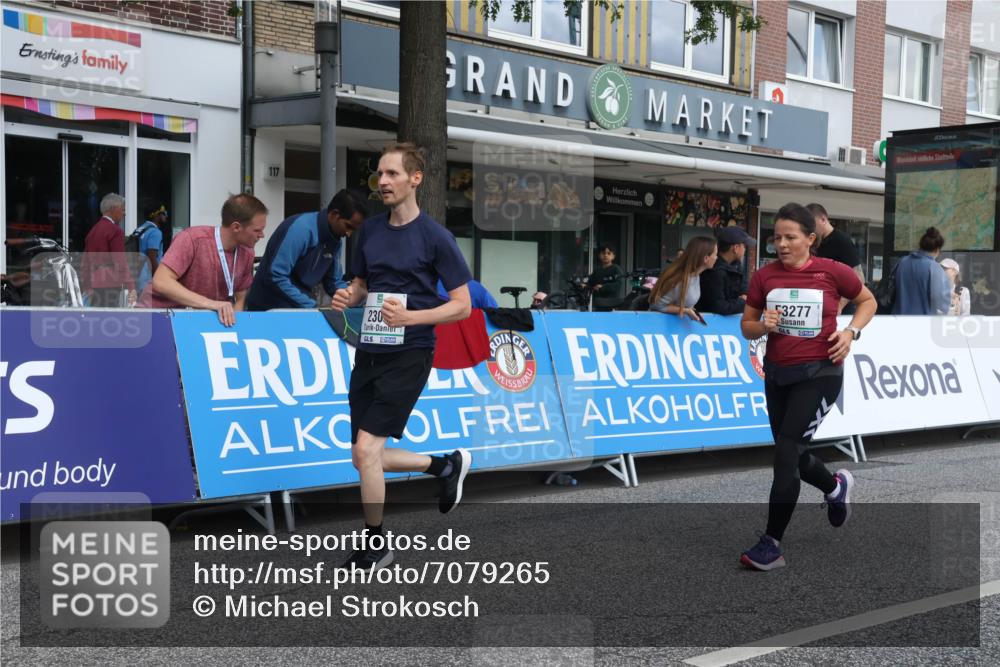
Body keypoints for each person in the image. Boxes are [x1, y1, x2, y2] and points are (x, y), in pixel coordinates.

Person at [329, 142, 473, 570]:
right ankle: (444, 467)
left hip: (411, 351)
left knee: (369, 448)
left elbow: (462, 305)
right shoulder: (370, 231)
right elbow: (361, 283)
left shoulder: (436, 237)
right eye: (379, 174)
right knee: (362, 454)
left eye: (392, 174)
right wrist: (348, 294)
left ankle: (376, 544)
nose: (383, 182)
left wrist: (414, 317)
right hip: (369, 349)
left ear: (415, 179)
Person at [739, 203, 876, 571]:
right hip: (778, 374)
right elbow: (746, 326)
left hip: (821, 374)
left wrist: (851, 332)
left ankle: (771, 544)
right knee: (795, 453)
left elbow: (867, 300)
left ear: (810, 239)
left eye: (790, 237)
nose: (782, 244)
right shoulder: (763, 277)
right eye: (777, 237)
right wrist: (763, 325)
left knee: (786, 452)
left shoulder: (832, 272)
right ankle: (835, 487)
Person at [138, 194, 267, 326]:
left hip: (194, 323)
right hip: (155, 319)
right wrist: (210, 304)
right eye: (257, 230)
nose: (262, 235)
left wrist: (233, 326)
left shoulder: (247, 252)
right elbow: (161, 281)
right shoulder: (192, 239)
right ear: (236, 227)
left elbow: (241, 298)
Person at [246, 189, 368, 311]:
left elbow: (334, 282)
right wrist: (312, 305)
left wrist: (349, 297)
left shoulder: (335, 241)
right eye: (348, 226)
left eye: (354, 230)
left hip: (299, 309)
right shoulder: (300, 229)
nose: (349, 234)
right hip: (266, 309)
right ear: (334, 214)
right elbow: (276, 275)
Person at [806, 203, 864, 314]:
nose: (810, 229)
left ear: (823, 220)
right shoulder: (814, 242)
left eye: (812, 225)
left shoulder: (841, 241)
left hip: (840, 311)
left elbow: (859, 278)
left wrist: (840, 305)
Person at [81, 193, 135, 307]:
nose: (125, 214)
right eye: (123, 209)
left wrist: (87, 286)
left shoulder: (93, 231)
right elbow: (120, 262)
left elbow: (85, 263)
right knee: (110, 320)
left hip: (94, 284)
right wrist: (131, 286)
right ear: (114, 209)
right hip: (110, 284)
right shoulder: (115, 231)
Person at [648, 236, 717, 319]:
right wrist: (685, 311)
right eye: (715, 254)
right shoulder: (678, 279)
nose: (716, 258)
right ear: (706, 258)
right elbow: (656, 305)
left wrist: (689, 311)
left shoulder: (696, 275)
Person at [892, 227, 951, 315]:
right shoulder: (934, 267)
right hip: (922, 321)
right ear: (937, 250)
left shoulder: (902, 262)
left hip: (898, 319)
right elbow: (941, 300)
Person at [696, 226, 754, 315]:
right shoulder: (715, 272)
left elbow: (747, 292)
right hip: (712, 327)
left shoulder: (736, 267)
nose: (745, 249)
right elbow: (720, 307)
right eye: (744, 246)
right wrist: (742, 301)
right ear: (736, 248)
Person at [134, 205, 168, 297]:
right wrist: (158, 277)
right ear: (156, 216)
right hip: (146, 277)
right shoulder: (155, 232)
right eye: (163, 213)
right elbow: (152, 257)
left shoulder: (140, 229)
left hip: (136, 274)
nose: (166, 215)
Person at [587, 243, 625, 311]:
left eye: (609, 253)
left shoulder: (616, 269)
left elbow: (618, 284)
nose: (605, 255)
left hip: (612, 304)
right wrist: (584, 285)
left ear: (613, 256)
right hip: (598, 304)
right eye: (603, 253)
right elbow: (590, 282)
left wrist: (603, 287)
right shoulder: (597, 270)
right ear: (599, 255)